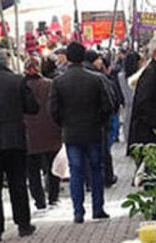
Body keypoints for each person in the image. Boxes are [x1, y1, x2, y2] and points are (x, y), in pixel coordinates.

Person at [0, 48, 39, 242]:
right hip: (15, 140)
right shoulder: (17, 80)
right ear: (5, 62)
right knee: (18, 183)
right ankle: (24, 224)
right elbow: (33, 107)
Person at [50, 41, 113, 224]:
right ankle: (98, 208)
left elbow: (53, 109)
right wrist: (100, 122)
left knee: (76, 171)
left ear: (68, 58)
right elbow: (107, 105)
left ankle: (78, 212)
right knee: (96, 169)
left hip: (72, 133)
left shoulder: (59, 82)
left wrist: (64, 124)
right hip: (93, 131)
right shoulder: (96, 79)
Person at [23, 57, 61, 209]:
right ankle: (53, 196)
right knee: (52, 167)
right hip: (50, 131)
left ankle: (39, 200)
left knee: (33, 170)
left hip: (29, 134)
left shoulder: (20, 85)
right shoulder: (50, 85)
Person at [84, 50, 119, 187]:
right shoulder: (100, 78)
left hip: (76, 127)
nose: (101, 62)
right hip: (98, 125)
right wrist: (106, 118)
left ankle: (89, 182)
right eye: (99, 59)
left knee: (83, 158)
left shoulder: (64, 79)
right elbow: (110, 102)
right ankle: (105, 179)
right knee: (102, 154)